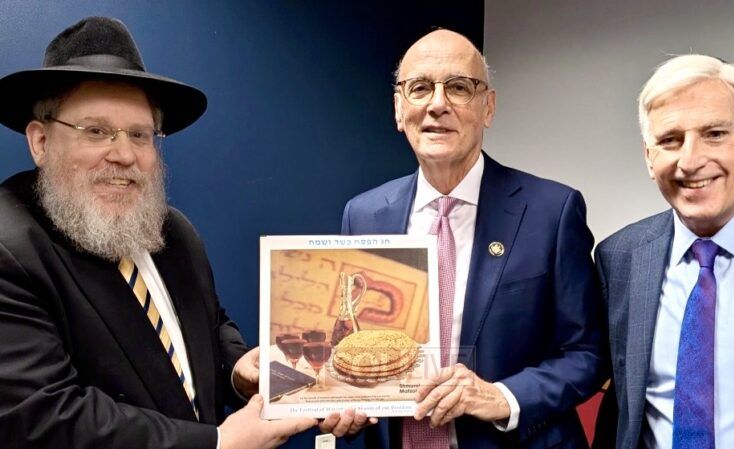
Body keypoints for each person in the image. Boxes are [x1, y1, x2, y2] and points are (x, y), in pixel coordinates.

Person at [0, 16, 318, 449]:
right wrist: (219, 443)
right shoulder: (9, 247)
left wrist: (237, 370)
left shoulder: (173, 231)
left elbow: (209, 326)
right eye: (96, 132)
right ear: (40, 142)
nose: (124, 154)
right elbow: (43, 416)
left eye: (140, 134)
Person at [336, 29, 605, 449]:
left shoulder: (552, 211)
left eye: (459, 87)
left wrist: (503, 397)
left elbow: (587, 352)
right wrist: (342, 400)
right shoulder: (363, 215)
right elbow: (353, 337)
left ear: (488, 107)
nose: (437, 104)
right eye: (419, 88)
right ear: (398, 108)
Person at [593, 54, 734, 448]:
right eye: (670, 140)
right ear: (649, 157)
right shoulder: (619, 258)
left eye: (715, 134)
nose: (690, 161)